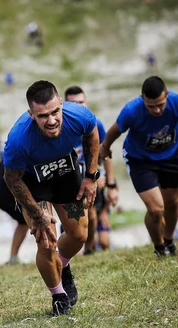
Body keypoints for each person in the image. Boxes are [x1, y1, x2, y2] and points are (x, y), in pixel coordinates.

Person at [3, 81, 100, 316]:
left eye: (55, 112)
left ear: (61, 105)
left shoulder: (79, 115)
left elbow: (92, 135)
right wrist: (37, 214)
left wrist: (91, 176)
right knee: (46, 241)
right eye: (43, 116)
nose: (52, 120)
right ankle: (58, 296)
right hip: (33, 181)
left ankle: (62, 265)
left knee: (79, 235)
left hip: (65, 171)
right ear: (31, 114)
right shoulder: (18, 140)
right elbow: (12, 179)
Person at [100, 76, 178, 257]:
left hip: (170, 157)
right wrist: (105, 148)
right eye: (151, 106)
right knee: (156, 210)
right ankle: (159, 247)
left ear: (167, 96)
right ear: (143, 99)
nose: (156, 110)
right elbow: (115, 130)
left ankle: (169, 240)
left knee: (172, 204)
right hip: (139, 160)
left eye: (161, 105)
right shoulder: (132, 110)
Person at [64, 85, 115, 254]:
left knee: (92, 217)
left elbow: (105, 153)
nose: (79, 106)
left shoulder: (95, 123)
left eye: (81, 102)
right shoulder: (60, 127)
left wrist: (110, 182)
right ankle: (75, 248)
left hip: (90, 177)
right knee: (76, 223)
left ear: (87, 102)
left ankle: (90, 249)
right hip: (68, 180)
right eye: (73, 103)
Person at [0, 161, 28, 264]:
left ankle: (13, 257)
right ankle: (47, 251)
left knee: (25, 220)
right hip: (2, 185)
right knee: (28, 217)